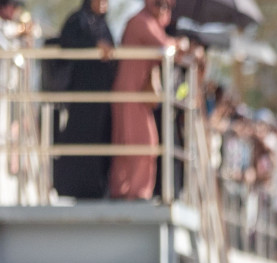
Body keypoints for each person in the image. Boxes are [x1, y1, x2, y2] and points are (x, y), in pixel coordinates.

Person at [108, 0, 185, 200]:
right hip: (130, 92)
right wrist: (182, 44)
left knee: (137, 142)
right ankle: (132, 192)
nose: (164, 10)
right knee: (140, 142)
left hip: (137, 94)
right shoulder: (141, 22)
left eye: (167, 6)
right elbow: (165, 46)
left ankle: (131, 191)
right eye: (160, 4)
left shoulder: (147, 21)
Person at [51, 0, 116, 200]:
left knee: (99, 142)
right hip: (81, 96)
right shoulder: (77, 20)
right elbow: (66, 42)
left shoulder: (104, 25)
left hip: (101, 99)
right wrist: (93, 46)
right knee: (78, 140)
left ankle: (96, 188)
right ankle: (70, 187)